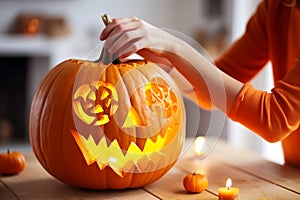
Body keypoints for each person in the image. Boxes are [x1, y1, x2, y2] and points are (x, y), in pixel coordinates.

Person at [100, 0, 300, 167]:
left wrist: (172, 46)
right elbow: (213, 90)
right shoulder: (277, 7)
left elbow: (275, 119)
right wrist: (161, 59)